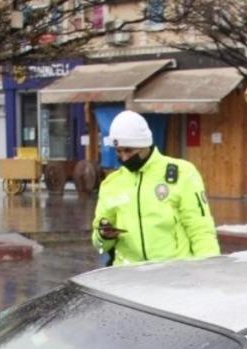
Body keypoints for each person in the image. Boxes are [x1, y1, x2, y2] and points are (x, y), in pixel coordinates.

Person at [90, 110, 220, 266]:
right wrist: (104, 237)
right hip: (127, 279)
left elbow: (200, 230)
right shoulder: (111, 184)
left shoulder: (182, 173)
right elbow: (99, 246)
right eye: (118, 151)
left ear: (145, 144)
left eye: (129, 150)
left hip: (173, 275)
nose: (123, 157)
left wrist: (210, 270)